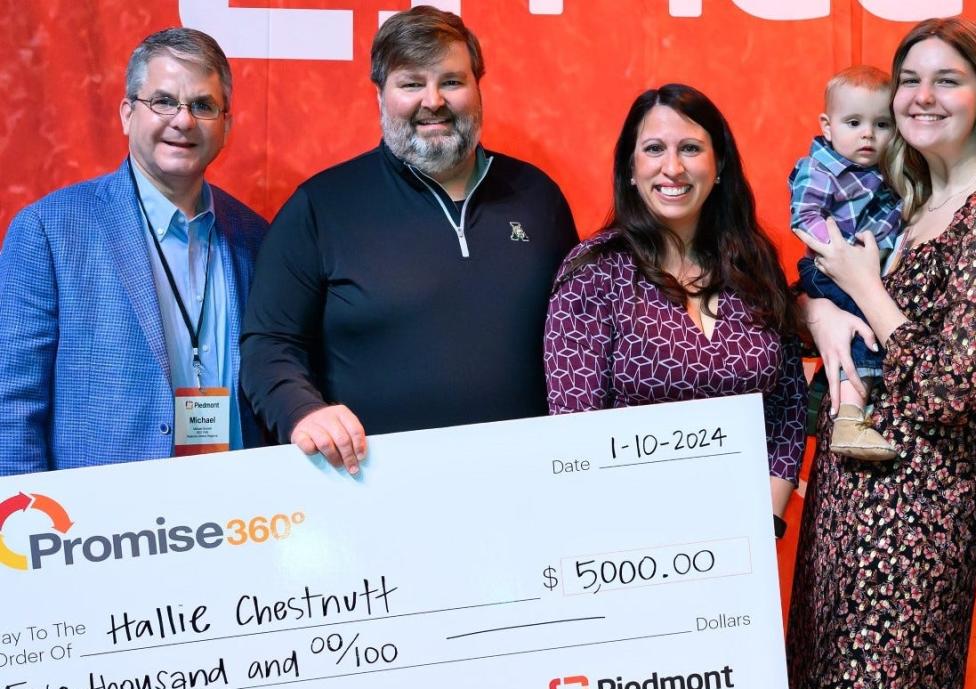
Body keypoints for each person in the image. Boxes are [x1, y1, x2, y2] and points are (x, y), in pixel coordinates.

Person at [776, 18, 976, 689]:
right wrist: (820, 315)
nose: (922, 98)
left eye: (948, 80)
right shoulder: (907, 199)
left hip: (917, 520)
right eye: (910, 80)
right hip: (847, 507)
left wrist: (865, 289)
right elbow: (826, 305)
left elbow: (949, 387)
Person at [543, 83, 807, 689]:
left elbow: (787, 402)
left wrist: (769, 514)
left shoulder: (753, 264)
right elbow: (574, 433)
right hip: (618, 572)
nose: (673, 166)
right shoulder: (592, 275)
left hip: (725, 569)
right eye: (653, 148)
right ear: (630, 168)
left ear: (719, 164)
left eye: (690, 147)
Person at [240, 5, 577, 472]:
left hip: (529, 483)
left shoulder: (538, 197)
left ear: (479, 87)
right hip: (372, 492)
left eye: (452, 82)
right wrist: (303, 412)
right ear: (380, 94)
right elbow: (269, 345)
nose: (433, 101)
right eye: (411, 83)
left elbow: (578, 339)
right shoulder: (320, 206)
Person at [0, 28, 267, 477]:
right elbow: (11, 403)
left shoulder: (254, 236)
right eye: (163, 101)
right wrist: (26, 527)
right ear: (127, 114)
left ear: (226, 125)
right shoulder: (49, 230)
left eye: (202, 105)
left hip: (235, 511)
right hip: (106, 529)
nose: (182, 121)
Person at [789, 64, 901, 461]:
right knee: (864, 328)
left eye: (882, 124)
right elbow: (803, 217)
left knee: (860, 325)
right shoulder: (821, 169)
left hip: (865, 266)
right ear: (828, 125)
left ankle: (819, 400)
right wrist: (842, 255)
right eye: (854, 122)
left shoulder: (886, 172)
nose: (868, 134)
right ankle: (850, 418)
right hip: (828, 269)